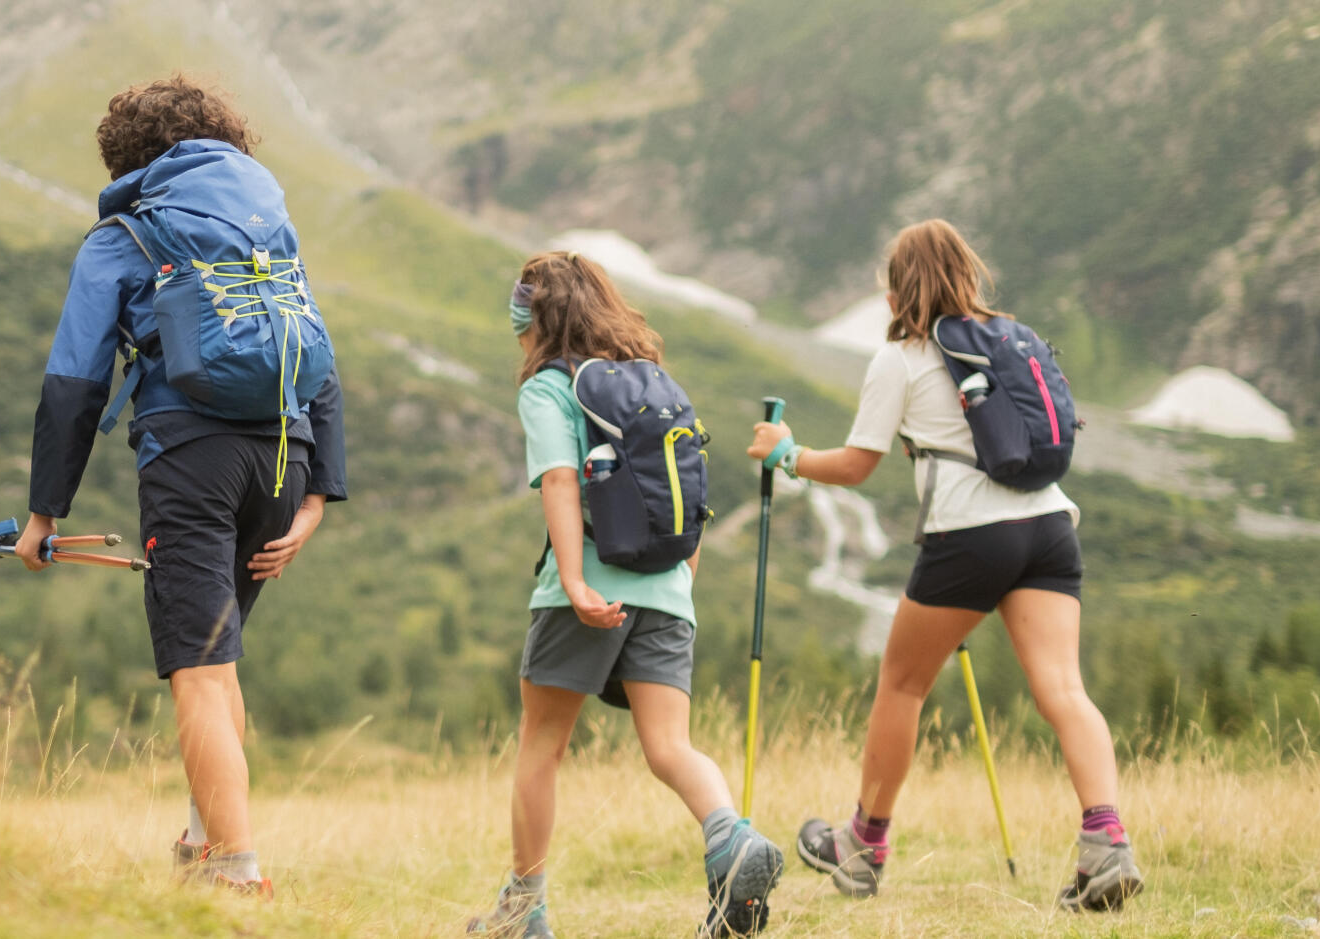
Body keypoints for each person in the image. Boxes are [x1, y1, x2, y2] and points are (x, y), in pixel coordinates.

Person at [746, 219, 1143, 912]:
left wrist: (788, 453)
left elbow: (856, 465)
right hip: (1050, 524)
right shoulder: (1010, 339)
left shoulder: (900, 356)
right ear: (966, 271)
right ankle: (1107, 844)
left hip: (971, 536)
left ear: (897, 286)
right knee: (1064, 690)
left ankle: (862, 846)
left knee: (901, 686)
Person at [14, 76, 347, 895]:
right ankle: (205, 841)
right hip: (285, 460)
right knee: (219, 661)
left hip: (192, 460)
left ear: (127, 157)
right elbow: (317, 348)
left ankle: (235, 872)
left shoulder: (126, 230)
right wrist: (316, 496)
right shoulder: (267, 215)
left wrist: (41, 514)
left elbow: (74, 383)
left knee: (198, 669)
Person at [467, 251, 782, 939]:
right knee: (670, 746)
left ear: (535, 318)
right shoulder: (656, 384)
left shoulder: (551, 386)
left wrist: (577, 582)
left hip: (586, 587)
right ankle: (731, 838)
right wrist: (676, 586)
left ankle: (524, 909)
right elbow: (689, 493)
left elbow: (559, 480)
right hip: (669, 588)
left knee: (541, 745)